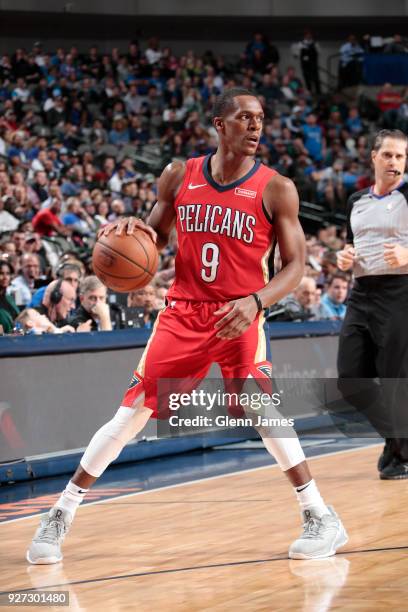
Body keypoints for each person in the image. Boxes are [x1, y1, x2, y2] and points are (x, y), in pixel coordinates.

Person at [27, 88, 347, 565]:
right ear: (219, 125)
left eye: (260, 118)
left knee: (261, 408)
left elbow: (296, 265)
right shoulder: (181, 174)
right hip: (183, 312)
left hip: (239, 312)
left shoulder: (277, 187)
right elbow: (150, 239)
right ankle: (60, 513)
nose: (256, 126)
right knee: (131, 413)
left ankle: (320, 515)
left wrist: (256, 301)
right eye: (244, 117)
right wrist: (125, 233)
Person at [336, 129, 408, 479]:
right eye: (389, 155)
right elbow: (352, 245)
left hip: (400, 292)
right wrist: (345, 257)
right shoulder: (355, 202)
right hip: (362, 293)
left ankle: (399, 453)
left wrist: (407, 254)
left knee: (395, 381)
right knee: (350, 380)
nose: (395, 161)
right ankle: (397, 441)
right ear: (374, 158)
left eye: (401, 156)